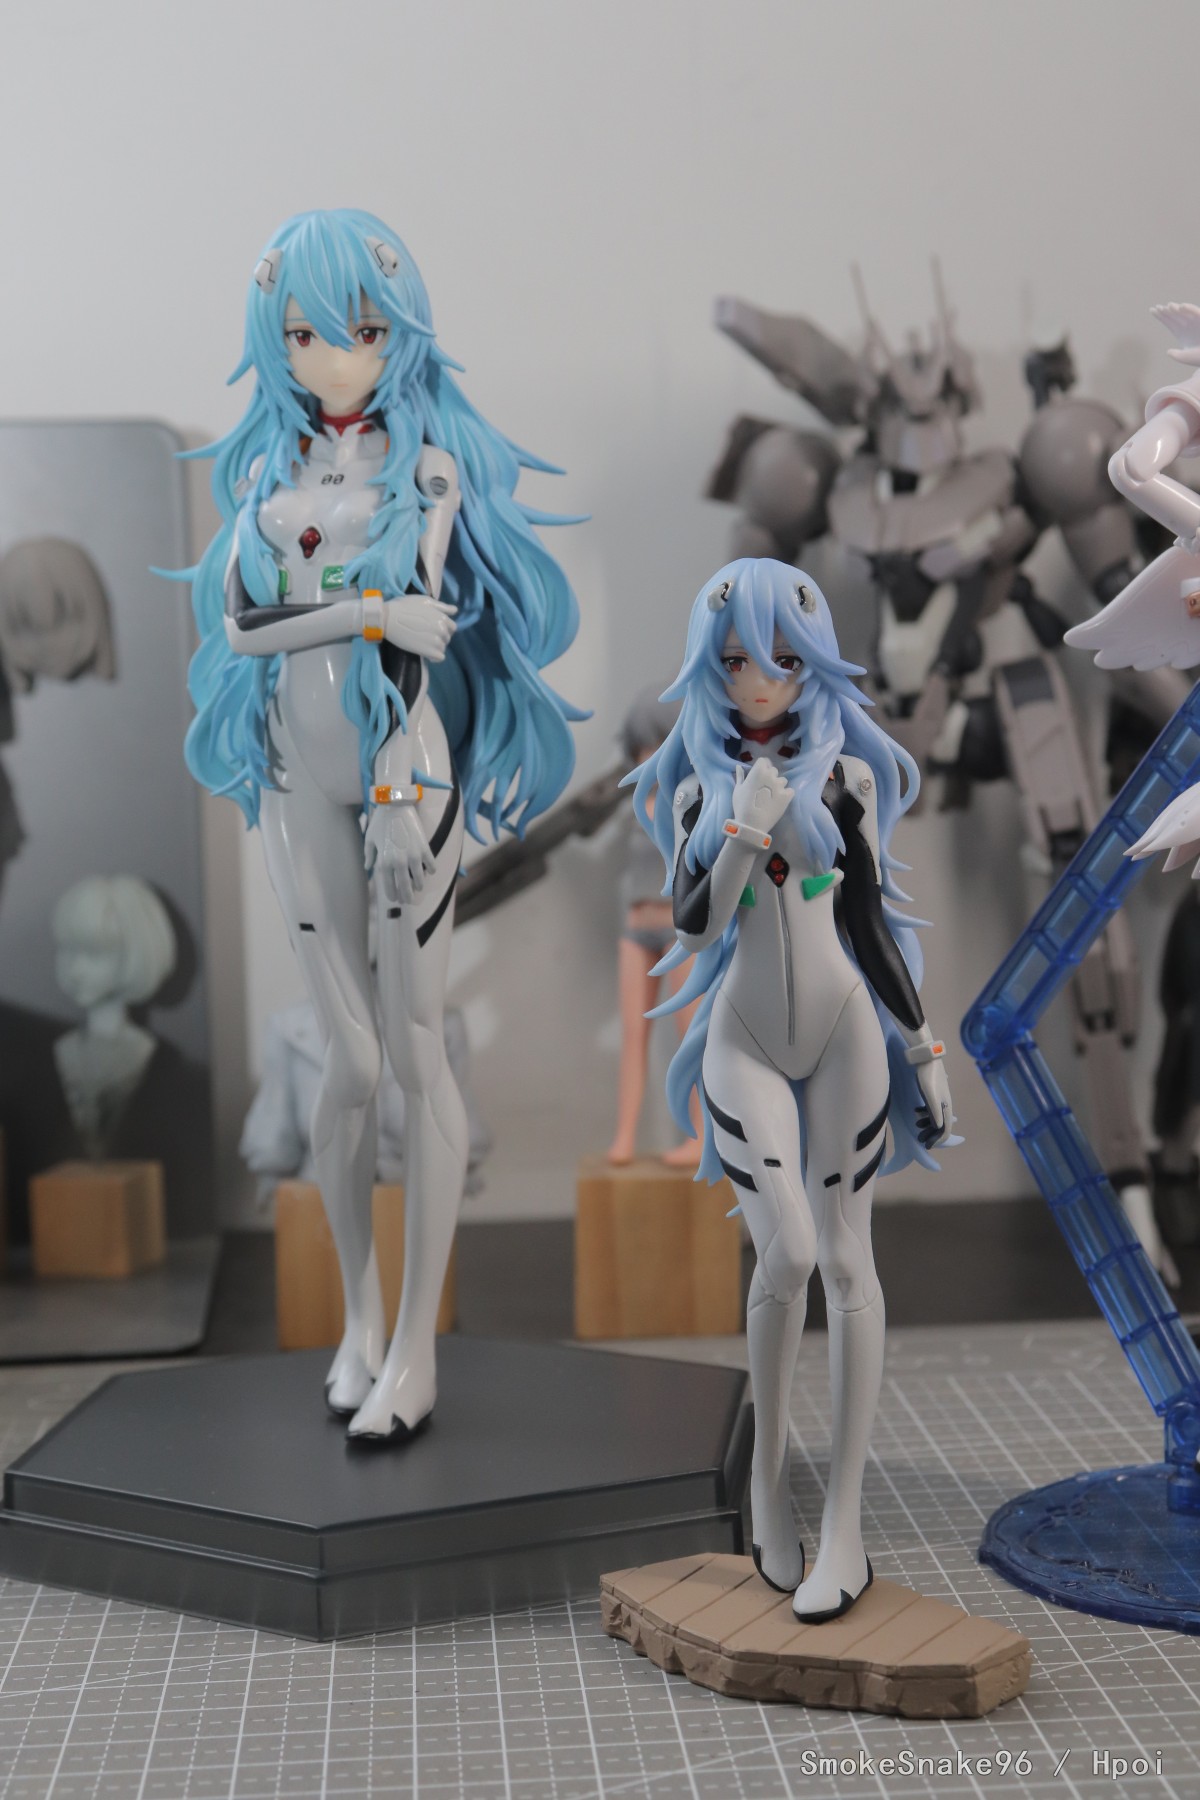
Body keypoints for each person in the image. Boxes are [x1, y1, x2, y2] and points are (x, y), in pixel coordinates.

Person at [180, 208, 581, 1441]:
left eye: (360, 329)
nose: (337, 357)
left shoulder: (429, 471)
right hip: (294, 775)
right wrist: (362, 616)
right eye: (305, 334)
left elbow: (429, 633)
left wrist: (404, 777)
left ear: (398, 329)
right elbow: (243, 631)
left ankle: (418, 1346)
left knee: (414, 1051)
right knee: (346, 1062)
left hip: (407, 768)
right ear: (276, 339)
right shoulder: (266, 479)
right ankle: (359, 1320)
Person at [630, 556, 956, 1620]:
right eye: (735, 662)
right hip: (745, 1039)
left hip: (845, 1029)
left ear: (810, 661)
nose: (760, 681)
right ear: (710, 667)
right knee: (789, 1252)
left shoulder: (847, 778)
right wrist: (740, 829)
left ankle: (846, 1526)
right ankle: (769, 1488)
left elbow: (867, 920)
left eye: (779, 659)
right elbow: (693, 927)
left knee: (849, 1259)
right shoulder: (699, 784)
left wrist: (923, 1047)